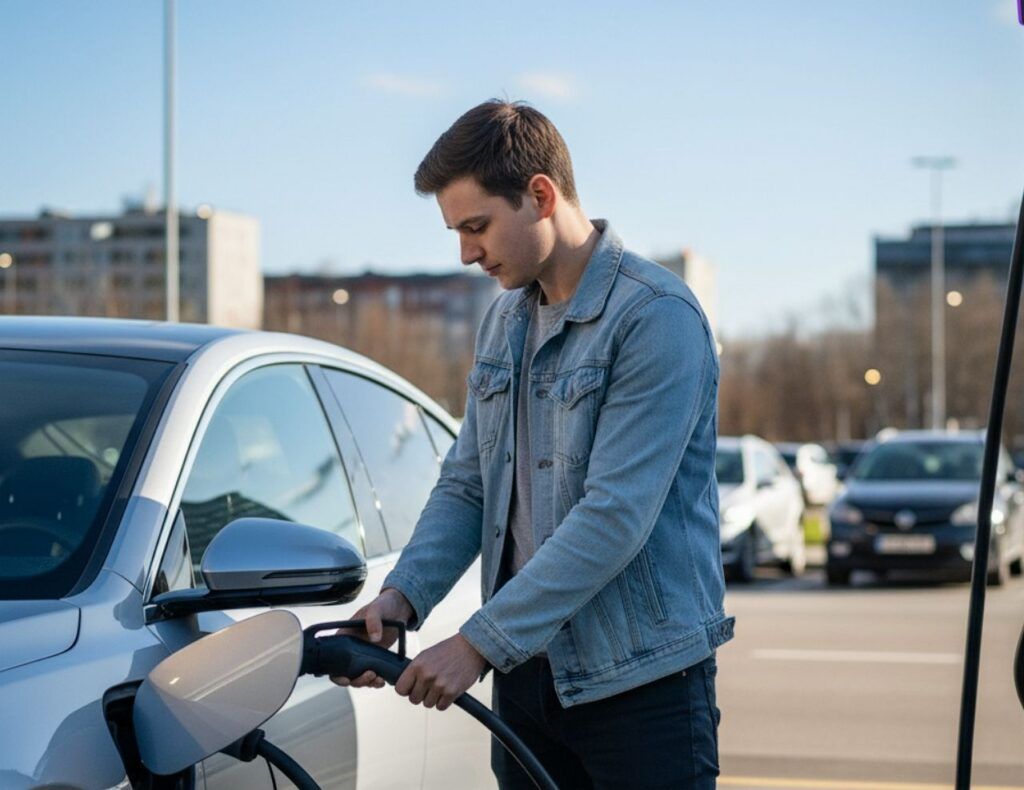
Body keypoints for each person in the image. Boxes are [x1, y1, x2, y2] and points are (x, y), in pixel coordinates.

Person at [332, 99, 733, 789]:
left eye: (476, 226)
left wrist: (478, 644)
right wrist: (402, 597)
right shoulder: (503, 324)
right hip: (527, 684)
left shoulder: (656, 318)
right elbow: (468, 484)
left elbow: (615, 516)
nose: (465, 253)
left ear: (541, 196)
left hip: (642, 687)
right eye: (457, 231)